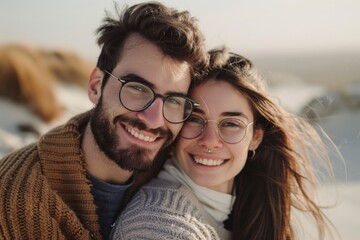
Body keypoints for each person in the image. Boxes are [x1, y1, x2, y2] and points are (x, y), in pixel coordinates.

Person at [0, 2, 208, 239]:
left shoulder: (176, 163)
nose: (153, 120)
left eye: (173, 100)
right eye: (137, 88)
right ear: (96, 85)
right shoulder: (16, 199)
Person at [111, 48, 337, 239]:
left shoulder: (241, 210)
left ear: (256, 137)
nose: (209, 141)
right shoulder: (160, 225)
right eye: (194, 120)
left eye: (230, 124)